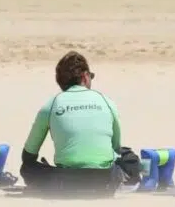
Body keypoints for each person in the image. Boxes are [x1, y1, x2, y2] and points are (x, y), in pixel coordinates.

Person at [20, 51, 140, 194]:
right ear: (85, 76)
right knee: (129, 157)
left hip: (65, 181)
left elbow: (28, 155)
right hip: (104, 181)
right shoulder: (107, 102)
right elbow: (115, 147)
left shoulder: (51, 105)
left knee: (27, 168)